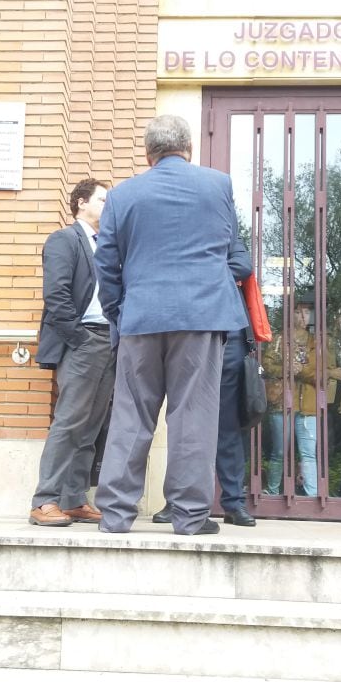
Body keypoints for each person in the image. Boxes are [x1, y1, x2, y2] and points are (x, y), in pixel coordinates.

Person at [93, 114, 250, 536]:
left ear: (148, 154)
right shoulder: (218, 185)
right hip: (202, 317)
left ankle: (115, 515)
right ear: (189, 150)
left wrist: (118, 313)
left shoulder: (123, 195)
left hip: (140, 317)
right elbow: (227, 247)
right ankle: (190, 517)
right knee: (193, 416)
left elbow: (105, 263)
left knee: (131, 414)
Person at [152, 232, 257, 527]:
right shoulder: (183, 232)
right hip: (186, 332)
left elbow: (243, 265)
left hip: (229, 336)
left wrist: (193, 269)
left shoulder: (226, 235)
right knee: (183, 422)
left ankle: (234, 504)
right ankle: (176, 502)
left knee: (227, 426)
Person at [28, 179, 116, 527]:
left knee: (91, 426)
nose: (107, 206)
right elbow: (57, 295)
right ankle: (45, 499)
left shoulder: (107, 245)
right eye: (102, 200)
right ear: (81, 203)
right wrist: (79, 339)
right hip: (83, 342)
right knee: (68, 422)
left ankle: (75, 498)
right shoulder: (64, 240)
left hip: (109, 341)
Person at [261, 294, 341, 496]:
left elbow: (322, 371)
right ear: (290, 314)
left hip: (309, 404)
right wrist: (287, 368)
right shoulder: (280, 338)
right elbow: (266, 366)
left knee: (309, 454)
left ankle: (312, 495)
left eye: (307, 312)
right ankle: (272, 493)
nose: (302, 316)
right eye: (298, 311)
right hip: (282, 402)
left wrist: (303, 372)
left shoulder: (317, 342)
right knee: (280, 452)